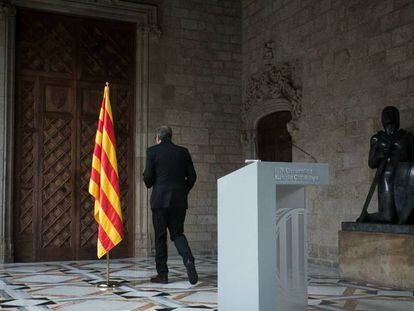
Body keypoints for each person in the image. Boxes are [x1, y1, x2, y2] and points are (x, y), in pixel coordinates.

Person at [143, 126, 198, 284]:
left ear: (158, 137)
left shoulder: (152, 151)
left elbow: (148, 178)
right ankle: (188, 260)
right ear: (170, 136)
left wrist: (149, 180)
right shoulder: (183, 152)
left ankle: (162, 275)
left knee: (160, 237)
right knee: (177, 234)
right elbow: (192, 177)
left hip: (159, 200)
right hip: (179, 201)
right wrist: (183, 191)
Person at [358, 106, 414, 223]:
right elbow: (372, 163)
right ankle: (367, 217)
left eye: (392, 114)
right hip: (385, 176)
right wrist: (380, 154)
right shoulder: (377, 139)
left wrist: (402, 151)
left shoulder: (406, 137)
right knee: (389, 216)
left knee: (403, 214)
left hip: (403, 178)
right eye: (387, 114)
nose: (389, 117)